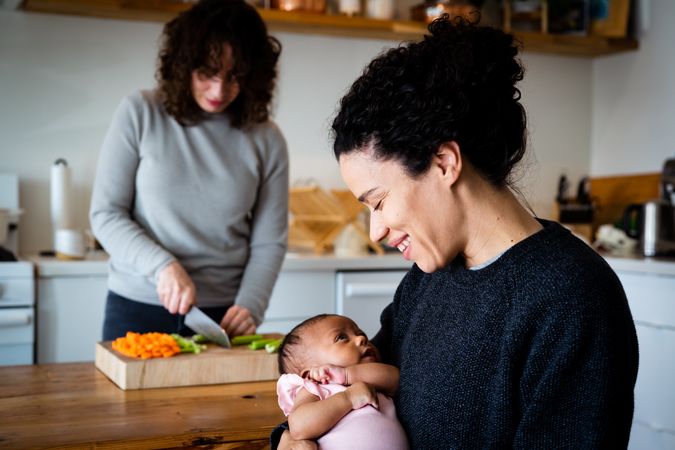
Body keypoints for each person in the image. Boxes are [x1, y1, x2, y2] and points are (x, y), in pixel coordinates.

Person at [274, 16, 638, 449]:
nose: (376, 229)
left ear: (444, 163)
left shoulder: (573, 300)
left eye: (378, 200)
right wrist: (289, 441)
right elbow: (340, 398)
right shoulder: (429, 278)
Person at [90, 0, 288, 340]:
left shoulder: (267, 138)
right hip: (138, 304)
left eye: (234, 76)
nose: (219, 90)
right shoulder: (140, 112)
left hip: (223, 314)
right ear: (183, 66)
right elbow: (106, 214)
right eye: (206, 73)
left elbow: (269, 242)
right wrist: (162, 266)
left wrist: (251, 305)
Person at [276, 314, 408, 450]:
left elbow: (396, 379)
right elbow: (299, 427)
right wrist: (348, 398)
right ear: (310, 374)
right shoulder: (315, 388)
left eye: (360, 333)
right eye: (341, 337)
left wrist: (346, 375)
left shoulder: (375, 378)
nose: (361, 338)